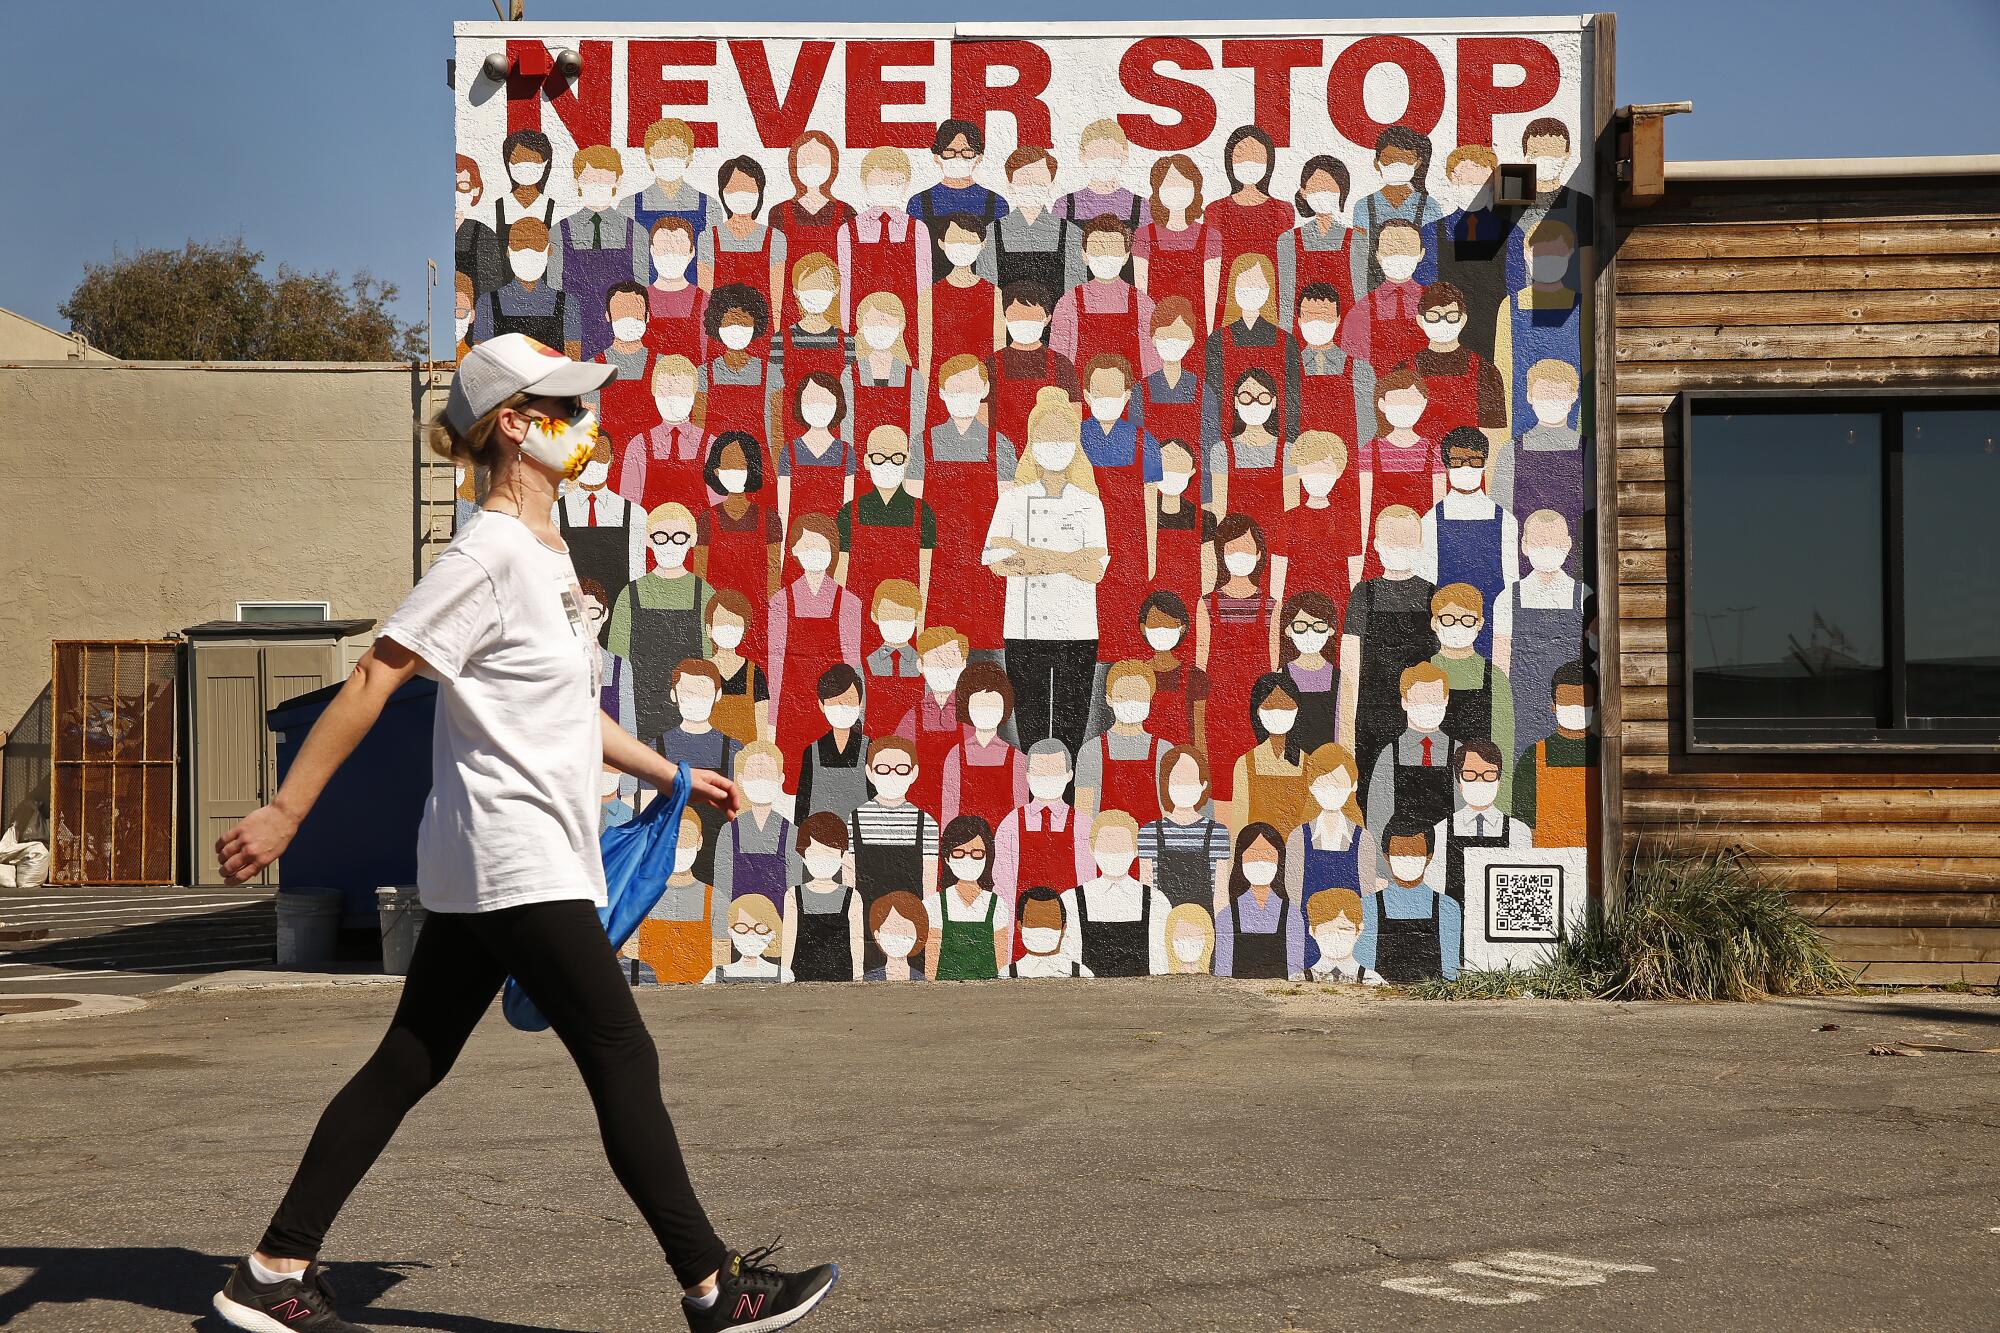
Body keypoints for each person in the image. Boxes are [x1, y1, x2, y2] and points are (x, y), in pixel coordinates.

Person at [208, 333, 836, 1332]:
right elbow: (378, 672)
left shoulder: (547, 552)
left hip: (506, 852)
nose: (587, 426)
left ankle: (271, 1269)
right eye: (567, 410)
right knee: (619, 1055)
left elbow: (561, 712)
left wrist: (674, 771)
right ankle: (714, 1285)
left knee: (409, 1058)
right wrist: (289, 806)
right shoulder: (486, 551)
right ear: (515, 424)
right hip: (512, 852)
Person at [985, 388, 1109, 763]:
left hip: (1078, 630)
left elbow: (1095, 570)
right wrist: (1069, 559)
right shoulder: (1011, 500)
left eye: (1062, 438)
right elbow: (998, 560)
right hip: (1024, 629)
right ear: (1032, 443)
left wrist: (1032, 556)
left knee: (1072, 727)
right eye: (1045, 437)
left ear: (1074, 445)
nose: (1053, 446)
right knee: (1031, 724)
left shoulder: (1089, 503)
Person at [1340, 505, 1439, 790]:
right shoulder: (1363, 594)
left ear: (1419, 545)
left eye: (1406, 541)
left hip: (1420, 716)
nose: (1399, 547)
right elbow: (1349, 667)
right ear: (1377, 546)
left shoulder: (1431, 594)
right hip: (1370, 717)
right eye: (1392, 541)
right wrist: (1347, 730)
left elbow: (1438, 665)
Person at [923, 356, 1016, 656]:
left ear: (985, 389)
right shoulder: (924, 443)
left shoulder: (1000, 445)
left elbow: (1007, 513)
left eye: (970, 387)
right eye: (955, 388)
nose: (963, 395)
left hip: (986, 566)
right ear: (941, 393)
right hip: (938, 561)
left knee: (988, 651)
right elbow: (916, 512)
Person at [1203, 256, 1302, 530]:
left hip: (1276, 455)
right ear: (1232, 288)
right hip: (1229, 456)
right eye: (1244, 283)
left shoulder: (1286, 342)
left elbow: (1292, 410)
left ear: (1270, 289)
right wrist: (1209, 487)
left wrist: (1287, 459)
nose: (1251, 290)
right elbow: (1210, 414)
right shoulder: (1218, 342)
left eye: (1259, 284)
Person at [606, 501, 711, 747]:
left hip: (690, 710)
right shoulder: (630, 595)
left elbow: (709, 660)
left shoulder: (703, 593)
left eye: (679, 537)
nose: (670, 545)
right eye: (661, 537)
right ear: (648, 540)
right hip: (639, 710)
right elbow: (617, 660)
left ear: (692, 540)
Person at [1075, 353, 1153, 663]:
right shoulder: (1074, 439)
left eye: (1114, 390)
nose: (1106, 398)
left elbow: (1149, 504)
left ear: (1127, 395)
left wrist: (1149, 557)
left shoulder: (1143, 440)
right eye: (1099, 390)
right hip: (1084, 544)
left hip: (1129, 547)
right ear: (1086, 395)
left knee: (1125, 627)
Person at [768, 513, 863, 764]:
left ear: (833, 550)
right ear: (795, 550)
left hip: (834, 700)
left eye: (822, 546)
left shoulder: (849, 603)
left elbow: (853, 665)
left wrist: (855, 711)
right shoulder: (780, 602)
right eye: (808, 546)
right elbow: (775, 664)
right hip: (792, 701)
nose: (815, 552)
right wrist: (771, 716)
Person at [1418, 430, 1518, 660]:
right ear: (1446, 465)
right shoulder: (1430, 520)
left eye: (1474, 461)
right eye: (1458, 461)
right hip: (1447, 621)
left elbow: (1511, 583)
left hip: (1492, 621)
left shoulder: (1506, 521)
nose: (1466, 468)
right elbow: (1427, 584)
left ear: (1484, 464)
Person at [1197, 514, 1277, 796]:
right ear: (1221, 554)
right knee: (1220, 783)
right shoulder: (1206, 604)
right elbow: (1201, 663)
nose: (1238, 555)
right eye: (1231, 549)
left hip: (1257, 708)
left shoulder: (1270, 606)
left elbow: (1274, 664)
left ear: (1258, 554)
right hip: (1218, 708)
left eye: (1245, 548)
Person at [1494, 510, 1591, 741]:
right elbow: (1500, 662)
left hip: (1573, 704)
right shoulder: (1508, 598)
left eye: (1554, 542)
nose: (1547, 548)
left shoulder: (1583, 596)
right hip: (1521, 707)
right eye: (1539, 542)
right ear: (1524, 546)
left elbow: (1593, 658)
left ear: (1567, 544)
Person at [848, 735, 940, 975]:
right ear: (869, 773)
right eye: (883, 768)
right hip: (869, 931)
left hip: (911, 930)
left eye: (901, 769)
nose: (892, 775)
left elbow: (929, 890)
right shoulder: (856, 819)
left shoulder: (926, 823)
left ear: (913, 773)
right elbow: (851, 888)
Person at [1416, 144, 1510, 362]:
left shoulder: (1510, 234)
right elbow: (1424, 290)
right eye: (1465, 181)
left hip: (1496, 335)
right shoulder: (1431, 232)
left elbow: (1515, 292)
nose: (1472, 189)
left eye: (1480, 183)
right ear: (1451, 180)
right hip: (1444, 331)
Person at [695, 431, 783, 666]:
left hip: (758, 620)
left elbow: (774, 578)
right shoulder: (706, 520)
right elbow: (700, 577)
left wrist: (769, 621)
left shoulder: (770, 519)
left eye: (740, 464)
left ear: (751, 469)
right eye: (727, 465)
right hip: (717, 618)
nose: (734, 471)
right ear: (716, 471)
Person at [838, 147, 932, 366]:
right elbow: (845, 285)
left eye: (894, 181)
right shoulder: (848, 231)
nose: (887, 187)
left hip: (906, 326)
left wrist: (923, 333)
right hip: (862, 324)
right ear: (864, 183)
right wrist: (847, 332)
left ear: (906, 184)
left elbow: (924, 286)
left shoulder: (917, 229)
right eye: (879, 180)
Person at [1284, 743, 1373, 970]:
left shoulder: (1363, 840)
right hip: (1310, 931)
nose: (1331, 789)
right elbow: (1294, 891)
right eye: (1323, 782)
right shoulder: (1298, 838)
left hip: (1349, 934)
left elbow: (1366, 892)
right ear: (1312, 787)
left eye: (1339, 783)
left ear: (1352, 786)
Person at [655, 659, 742, 886]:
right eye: (688, 693)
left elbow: (740, 812)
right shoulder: (657, 748)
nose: (695, 700)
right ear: (674, 695)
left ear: (717, 695)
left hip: (719, 858)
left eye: (702, 693)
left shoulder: (734, 750)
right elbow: (647, 810)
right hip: (668, 854)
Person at [558, 145, 649, 361]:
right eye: (589, 178)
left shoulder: (636, 232)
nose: (597, 185)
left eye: (605, 178)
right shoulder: (559, 232)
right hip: (576, 332)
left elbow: (643, 292)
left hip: (622, 329)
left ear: (617, 181)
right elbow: (556, 293)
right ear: (576, 181)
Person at [1363, 662, 1459, 867]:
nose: (1427, 706)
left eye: (1433, 699)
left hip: (1449, 862)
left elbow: (1463, 817)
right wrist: (1383, 869)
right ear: (1404, 702)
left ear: (1446, 700)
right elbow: (1377, 820)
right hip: (1402, 861)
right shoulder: (1390, 754)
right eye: (1419, 700)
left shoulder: (1458, 752)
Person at [992, 739, 1095, 925]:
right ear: (1028, 776)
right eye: (1040, 772)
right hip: (1021, 926)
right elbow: (1003, 886)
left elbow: (1088, 885)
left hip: (1070, 926)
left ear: (1069, 775)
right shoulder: (1011, 824)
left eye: (1054, 771)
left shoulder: (1084, 825)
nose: (1047, 778)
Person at [837, 425, 935, 617]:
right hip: (859, 611)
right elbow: (842, 571)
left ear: (907, 460)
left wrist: (920, 620)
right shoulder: (849, 511)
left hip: (904, 614)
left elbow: (925, 575)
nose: (888, 464)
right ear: (867, 461)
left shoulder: (923, 512)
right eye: (879, 457)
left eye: (897, 457)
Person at [1429, 583, 1516, 796]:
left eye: (1467, 620)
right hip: (1431, 788)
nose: (1457, 626)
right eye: (1448, 619)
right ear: (1434, 622)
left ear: (1480, 624)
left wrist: (1500, 803)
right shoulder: (1422, 672)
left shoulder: (1494, 678)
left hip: (1480, 788)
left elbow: (1503, 745)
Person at [1490, 359, 1589, 545]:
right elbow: (1501, 515)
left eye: (1559, 393)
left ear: (1573, 397)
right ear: (1530, 396)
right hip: (1524, 554)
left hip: (1576, 551)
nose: (1551, 400)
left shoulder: (1589, 450)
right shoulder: (1510, 451)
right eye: (1544, 393)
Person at [1059, 811, 1170, 977]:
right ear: (1092, 848)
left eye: (1121, 846)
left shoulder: (1156, 901)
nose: (1114, 853)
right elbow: (1067, 963)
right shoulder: (1071, 901)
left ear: (1135, 850)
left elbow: (1160, 963)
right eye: (1106, 845)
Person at [1203, 126, 1295, 320]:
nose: (1249, 163)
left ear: (1269, 162)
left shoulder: (1283, 210)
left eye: (1257, 157)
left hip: (1270, 299)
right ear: (1230, 162)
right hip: (1227, 301)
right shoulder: (1215, 210)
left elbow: (1285, 267)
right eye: (1241, 156)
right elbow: (1213, 268)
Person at [1357, 370, 1444, 574]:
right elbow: (1364, 509)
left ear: (1423, 404)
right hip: (1381, 547)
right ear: (1382, 405)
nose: (1404, 408)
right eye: (1397, 400)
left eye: (1411, 401)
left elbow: (1437, 510)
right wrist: (1362, 552)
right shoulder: (1369, 452)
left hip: (1420, 546)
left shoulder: (1435, 452)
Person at [1052, 218, 1157, 383]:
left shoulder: (1143, 304)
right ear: (1084, 255)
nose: (1106, 256)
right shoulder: (1068, 303)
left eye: (1114, 250)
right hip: (1081, 401)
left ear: (1125, 256)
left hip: (1132, 401)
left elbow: (1153, 367)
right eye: (1097, 249)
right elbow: (1059, 365)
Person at [1356, 819, 1462, 983]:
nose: (1407, 858)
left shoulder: (1447, 907)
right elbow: (1366, 968)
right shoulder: (1368, 906)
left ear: (1429, 857)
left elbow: (1450, 972)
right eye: (1399, 852)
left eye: (1415, 852)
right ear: (1386, 857)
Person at [769, 131, 856, 328]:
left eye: (820, 161)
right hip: (793, 303)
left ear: (833, 166)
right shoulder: (779, 213)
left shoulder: (846, 212)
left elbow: (849, 269)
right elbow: (776, 268)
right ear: (794, 166)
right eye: (806, 161)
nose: (813, 167)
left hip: (833, 303)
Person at [1274, 431, 1360, 631]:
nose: (1318, 475)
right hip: (1295, 607)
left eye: (1326, 467)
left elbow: (1354, 573)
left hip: (1338, 605)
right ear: (1300, 471)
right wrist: (1278, 614)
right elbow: (1278, 572)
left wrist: (1353, 614)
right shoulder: (1288, 519)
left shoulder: (1347, 521)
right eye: (1311, 468)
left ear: (1338, 471)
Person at [1432, 738, 1529, 910]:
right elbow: (1437, 890)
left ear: (1499, 781)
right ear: (1459, 781)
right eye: (1470, 774)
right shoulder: (1440, 831)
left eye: (1489, 774)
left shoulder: (1519, 832)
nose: (1480, 781)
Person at [699, 156, 786, 347]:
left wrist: (775, 335)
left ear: (759, 192)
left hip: (761, 332)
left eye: (748, 189)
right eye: (734, 189)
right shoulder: (708, 238)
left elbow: (776, 299)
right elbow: (705, 298)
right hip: (720, 332)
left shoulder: (775, 239)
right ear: (723, 193)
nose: (741, 194)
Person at [769, 252, 855, 444]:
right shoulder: (780, 340)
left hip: (836, 434)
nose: (815, 294)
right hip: (791, 432)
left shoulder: (847, 341)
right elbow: (775, 396)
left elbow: (850, 394)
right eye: (808, 288)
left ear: (835, 290)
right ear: (796, 292)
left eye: (822, 287)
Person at [978, 146, 1083, 302]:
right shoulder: (992, 232)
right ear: (1010, 185)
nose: (1031, 187)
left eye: (1039, 181)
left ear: (1051, 185)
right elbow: (987, 292)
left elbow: (1074, 294)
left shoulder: (1071, 233)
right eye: (1023, 180)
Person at [1512, 661, 1598, 850]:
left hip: (1597, 858)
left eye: (1582, 701)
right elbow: (1522, 823)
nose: (1575, 706)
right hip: (1548, 861)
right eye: (1567, 700)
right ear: (1553, 705)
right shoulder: (1533, 756)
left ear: (1595, 705)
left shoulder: (1603, 753)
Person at [985, 282, 1080, 454]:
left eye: (1032, 315)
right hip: (1001, 455)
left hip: (1049, 455)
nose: (1024, 321)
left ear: (1047, 319)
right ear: (1005, 317)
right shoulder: (991, 364)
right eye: (1017, 315)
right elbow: (982, 416)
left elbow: (1074, 415)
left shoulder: (1061, 364)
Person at [1134, 154, 1221, 340]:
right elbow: (1141, 293)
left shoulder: (1210, 236)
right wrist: (1145, 336)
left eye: (1183, 185)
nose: (1176, 191)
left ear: (1195, 189)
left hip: (1196, 331)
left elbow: (1211, 296)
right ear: (1157, 191)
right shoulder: (1143, 236)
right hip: (1157, 332)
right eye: (1169, 185)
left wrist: (1209, 337)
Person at [558, 436, 648, 615]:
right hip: (574, 613)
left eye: (599, 456)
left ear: (611, 459)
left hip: (619, 614)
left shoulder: (635, 514)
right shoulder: (555, 512)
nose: (592, 463)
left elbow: (638, 572)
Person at [639, 807, 727, 986]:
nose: (679, 846)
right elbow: (631, 955)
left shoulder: (716, 899)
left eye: (686, 837)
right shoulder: (640, 897)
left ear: (699, 841)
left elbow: (721, 960)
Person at [1138, 745, 1231, 912]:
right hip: (1164, 925)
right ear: (1166, 783)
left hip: (1204, 928)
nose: (1183, 786)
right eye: (1177, 780)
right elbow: (1148, 892)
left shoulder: (1217, 833)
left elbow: (1221, 896)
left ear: (1203, 784)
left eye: (1190, 779)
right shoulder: (1149, 833)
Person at [1350, 126, 1441, 295]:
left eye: (1406, 159)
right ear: (1377, 163)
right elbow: (1358, 258)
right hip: (1374, 293)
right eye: (1390, 159)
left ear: (1417, 162)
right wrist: (1361, 300)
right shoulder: (1364, 207)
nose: (1397, 165)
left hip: (1419, 295)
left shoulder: (1430, 206)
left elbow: (1433, 260)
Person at [1076, 661, 1169, 826]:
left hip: (1152, 847)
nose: (1131, 702)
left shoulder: (1164, 751)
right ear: (1109, 699)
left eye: (1139, 696)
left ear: (1151, 698)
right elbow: (1083, 817)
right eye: (1123, 696)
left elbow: (1170, 816)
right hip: (1105, 848)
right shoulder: (1091, 751)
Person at [908, 119, 1006, 274]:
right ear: (937, 156)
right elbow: (916, 258)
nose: (958, 158)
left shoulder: (996, 203)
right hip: (934, 291)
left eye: (967, 151)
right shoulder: (918, 203)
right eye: (949, 151)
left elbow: (999, 260)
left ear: (979, 156)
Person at [1411, 284, 1505, 442]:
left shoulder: (1487, 371)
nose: (1443, 322)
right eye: (1434, 316)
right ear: (1420, 320)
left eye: (1451, 316)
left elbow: (1493, 434)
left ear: (1463, 320)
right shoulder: (1404, 369)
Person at [618, 355, 709, 515]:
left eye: (682, 390)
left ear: (694, 393)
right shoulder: (638, 445)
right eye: (665, 390)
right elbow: (630, 508)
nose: (673, 398)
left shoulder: (710, 444)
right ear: (653, 391)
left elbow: (717, 509)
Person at [939, 663, 1027, 830]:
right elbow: (949, 814)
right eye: (979, 705)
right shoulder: (955, 756)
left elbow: (1019, 815)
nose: (986, 712)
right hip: (966, 847)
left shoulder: (1018, 760)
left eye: (993, 705)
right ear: (966, 707)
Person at [1338, 218, 1429, 376]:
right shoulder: (1360, 311)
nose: (1399, 254)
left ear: (1421, 254)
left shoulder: (1435, 302)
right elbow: (1355, 370)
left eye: (1408, 248)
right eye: (1390, 248)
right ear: (1378, 255)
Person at [781, 811, 863, 983]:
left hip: (842, 981)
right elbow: (788, 941)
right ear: (803, 856)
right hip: (801, 980)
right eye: (815, 853)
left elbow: (857, 943)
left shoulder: (852, 897)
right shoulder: (793, 896)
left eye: (829, 853)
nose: (822, 859)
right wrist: (785, 975)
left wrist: (858, 977)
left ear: (842, 856)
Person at [1278, 155, 1357, 332]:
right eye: (1317, 187)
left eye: (1330, 187)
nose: (1324, 192)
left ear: (1342, 192)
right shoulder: (1288, 240)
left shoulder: (1355, 240)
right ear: (1304, 192)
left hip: (1344, 328)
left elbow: (1359, 297)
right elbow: (1286, 298)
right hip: (1302, 328)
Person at [1224, 673, 1309, 836]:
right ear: (1257, 711)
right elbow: (1239, 824)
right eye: (1269, 706)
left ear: (1297, 710)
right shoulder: (1245, 763)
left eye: (1286, 706)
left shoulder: (1307, 763)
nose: (1278, 712)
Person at [1212, 822, 1301, 979]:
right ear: (1240, 860)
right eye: (1252, 854)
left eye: (1267, 854)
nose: (1260, 862)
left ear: (1279, 859)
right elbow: (1223, 973)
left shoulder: (1292, 915)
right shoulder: (1226, 917)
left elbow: (1295, 974)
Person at [898, 625, 970, 818]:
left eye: (950, 661)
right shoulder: (912, 717)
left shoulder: (971, 716)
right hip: (919, 803)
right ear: (921, 665)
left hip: (962, 800)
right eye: (936, 661)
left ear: (963, 664)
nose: (943, 668)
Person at [927, 815, 1010, 980]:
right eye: (958, 853)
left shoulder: (997, 905)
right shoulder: (934, 904)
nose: (968, 858)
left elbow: (1001, 964)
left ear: (987, 856)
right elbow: (931, 965)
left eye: (977, 853)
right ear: (947, 858)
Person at [850, 294, 929, 469]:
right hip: (862, 465)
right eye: (872, 322)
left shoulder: (913, 377)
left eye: (886, 321)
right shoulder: (850, 374)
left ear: (901, 326)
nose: (879, 328)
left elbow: (916, 431)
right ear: (861, 326)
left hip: (900, 463)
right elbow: (847, 430)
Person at [717, 742, 795, 918]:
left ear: (780, 779)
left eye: (767, 772)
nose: (761, 778)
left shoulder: (791, 833)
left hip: (779, 924)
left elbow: (794, 895)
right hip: (738, 926)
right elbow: (722, 892)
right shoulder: (728, 832)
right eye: (753, 772)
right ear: (741, 779)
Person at [1146, 436, 1213, 633]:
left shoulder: (1205, 519)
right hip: (1152, 603)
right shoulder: (1144, 515)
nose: (1171, 472)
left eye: (1179, 465)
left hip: (1192, 604)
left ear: (1192, 470)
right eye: (1165, 464)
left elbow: (1209, 572)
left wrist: (1204, 608)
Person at [777, 371, 858, 531]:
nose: (818, 407)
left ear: (837, 404)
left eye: (825, 400)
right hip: (797, 538)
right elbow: (783, 509)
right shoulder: (789, 451)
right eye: (810, 400)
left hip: (833, 538)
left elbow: (848, 508)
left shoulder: (846, 452)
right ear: (799, 404)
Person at [476, 217, 574, 350]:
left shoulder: (568, 303)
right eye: (519, 246)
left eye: (537, 246)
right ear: (508, 251)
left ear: (549, 250)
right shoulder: (487, 303)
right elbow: (482, 358)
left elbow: (573, 359)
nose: (528, 253)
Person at [1059, 119, 1144, 272]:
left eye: (1110, 152)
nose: (1103, 159)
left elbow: (1143, 264)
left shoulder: (1140, 206)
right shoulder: (1065, 205)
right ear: (1082, 155)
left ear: (1125, 155)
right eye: (1096, 153)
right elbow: (1062, 262)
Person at [630, 119, 710, 278]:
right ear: (648, 157)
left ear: (689, 156)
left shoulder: (709, 206)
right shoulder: (629, 205)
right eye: (661, 152)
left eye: (677, 151)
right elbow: (632, 264)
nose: (669, 157)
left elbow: (708, 265)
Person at [1293, 286, 1367, 456]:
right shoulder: (1290, 368)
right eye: (1309, 315)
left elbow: (1366, 425)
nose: (1316, 322)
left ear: (1338, 319)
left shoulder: (1358, 369)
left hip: (1347, 459)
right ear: (1299, 320)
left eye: (1324, 316)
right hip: (1304, 461)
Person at [700, 284, 777, 445]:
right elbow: (698, 430)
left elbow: (776, 431)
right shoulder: (703, 374)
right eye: (729, 322)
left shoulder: (770, 372)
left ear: (755, 325)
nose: (736, 328)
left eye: (743, 322)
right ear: (718, 325)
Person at [793, 665, 869, 824]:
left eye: (849, 701)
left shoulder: (869, 748)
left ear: (860, 703)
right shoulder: (812, 751)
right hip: (819, 841)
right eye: (835, 701)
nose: (842, 707)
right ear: (822, 705)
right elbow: (802, 805)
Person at [1139, 298, 1205, 473]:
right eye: (1165, 335)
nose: (1172, 341)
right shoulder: (1141, 390)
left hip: (1192, 479)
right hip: (1151, 480)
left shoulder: (1203, 391)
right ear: (1153, 339)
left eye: (1179, 335)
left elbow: (1208, 446)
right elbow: (1137, 446)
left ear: (1191, 341)